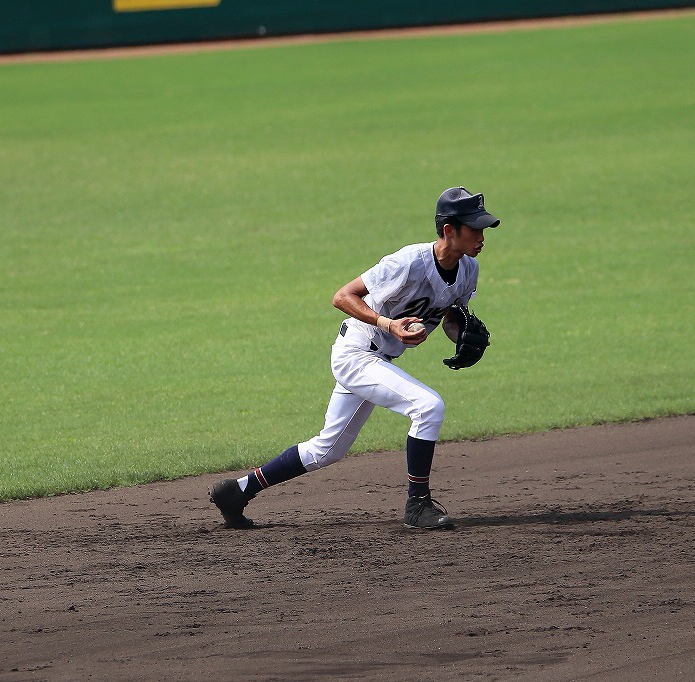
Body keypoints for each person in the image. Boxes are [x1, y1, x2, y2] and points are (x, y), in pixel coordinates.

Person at [209, 186, 499, 530]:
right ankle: (418, 504)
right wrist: (388, 324)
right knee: (428, 407)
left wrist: (461, 338)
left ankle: (237, 491)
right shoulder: (408, 262)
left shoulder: (468, 271)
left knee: (326, 450)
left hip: (378, 360)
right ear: (449, 230)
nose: (481, 236)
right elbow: (342, 296)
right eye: (474, 228)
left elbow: (451, 316)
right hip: (356, 353)